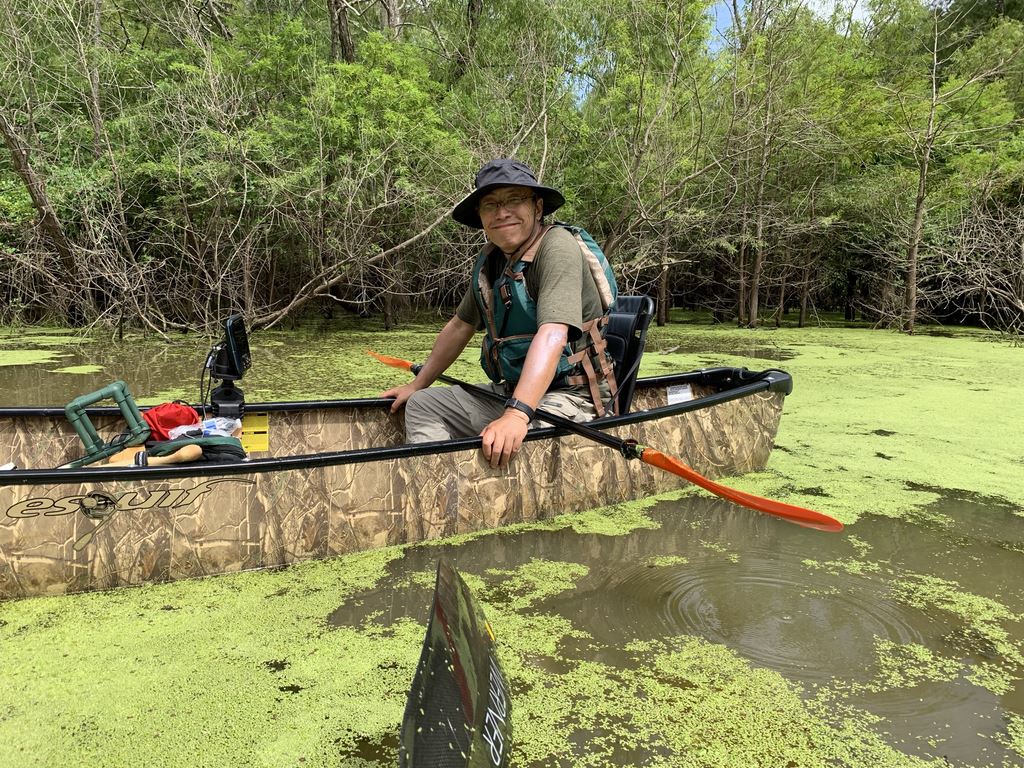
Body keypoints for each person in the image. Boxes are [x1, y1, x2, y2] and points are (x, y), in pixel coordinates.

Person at [380, 158, 617, 469]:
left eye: (514, 199)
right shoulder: (491, 260)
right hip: (513, 391)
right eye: (490, 204)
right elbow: (460, 326)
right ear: (481, 217)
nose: (502, 212)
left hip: (574, 396)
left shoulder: (557, 247)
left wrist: (517, 414)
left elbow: (553, 334)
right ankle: (434, 487)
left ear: (538, 207)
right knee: (423, 405)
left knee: (511, 436)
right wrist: (417, 385)